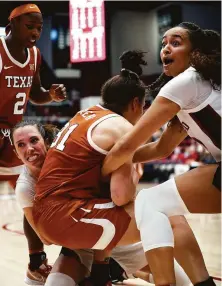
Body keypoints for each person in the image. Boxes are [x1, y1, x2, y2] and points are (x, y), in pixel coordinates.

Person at [33, 50, 211, 285]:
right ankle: (201, 282)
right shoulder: (121, 128)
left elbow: (157, 150)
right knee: (168, 213)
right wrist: (135, 172)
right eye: (145, 106)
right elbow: (121, 196)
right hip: (71, 216)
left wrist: (171, 134)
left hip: (52, 214)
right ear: (137, 103)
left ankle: (104, 270)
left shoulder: (85, 116)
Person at [102, 22, 221, 286]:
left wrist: (98, 165)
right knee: (157, 202)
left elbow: (126, 145)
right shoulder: (197, 85)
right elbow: (161, 148)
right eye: (164, 43)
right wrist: (121, 158)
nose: (166, 48)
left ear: (195, 52)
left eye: (176, 42)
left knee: (151, 202)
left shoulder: (184, 83)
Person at [12, 119, 191, 286]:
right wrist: (37, 254)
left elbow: (107, 203)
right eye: (21, 145)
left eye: (34, 140)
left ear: (46, 141)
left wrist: (101, 265)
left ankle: (121, 271)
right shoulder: (26, 187)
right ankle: (119, 271)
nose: (29, 149)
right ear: (15, 152)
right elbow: (46, 236)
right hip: (81, 244)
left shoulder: (70, 159)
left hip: (118, 234)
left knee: (185, 282)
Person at [0, 3, 67, 284]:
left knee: (33, 195)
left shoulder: (35, 55)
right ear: (12, 25)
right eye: (30, 26)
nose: (36, 32)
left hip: (13, 136)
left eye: (39, 27)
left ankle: (36, 260)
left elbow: (34, 93)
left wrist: (49, 95)